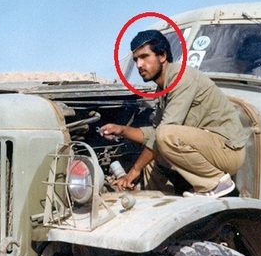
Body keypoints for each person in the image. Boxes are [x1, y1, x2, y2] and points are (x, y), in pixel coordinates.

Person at [100, 30, 248, 197]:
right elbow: (154, 134)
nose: (139, 65)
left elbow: (163, 134)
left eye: (144, 57)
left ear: (162, 55)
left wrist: (135, 170)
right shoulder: (162, 88)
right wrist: (122, 130)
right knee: (151, 156)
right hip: (208, 149)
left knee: (164, 137)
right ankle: (157, 201)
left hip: (227, 151)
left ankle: (216, 183)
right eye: (136, 59)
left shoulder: (181, 78)